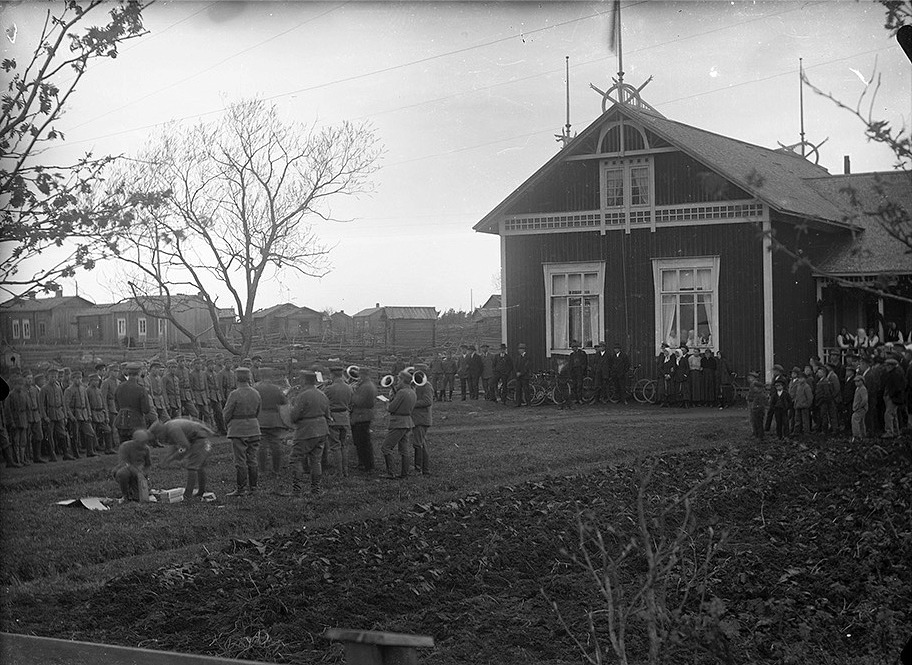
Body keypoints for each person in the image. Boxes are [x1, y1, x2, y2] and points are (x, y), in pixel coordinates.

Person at [288, 370, 333, 497]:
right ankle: (316, 490)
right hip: (322, 429)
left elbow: (294, 416)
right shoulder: (322, 394)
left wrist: (291, 405)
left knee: (295, 459)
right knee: (316, 460)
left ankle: (296, 490)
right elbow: (328, 414)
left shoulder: (303, 395)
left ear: (304, 380)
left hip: (306, 431)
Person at [153, 418, 216, 502]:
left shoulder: (172, 429)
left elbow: (184, 447)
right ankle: (201, 491)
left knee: (192, 467)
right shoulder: (169, 426)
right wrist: (167, 458)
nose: (160, 440)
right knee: (200, 466)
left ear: (160, 432)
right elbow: (175, 445)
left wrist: (172, 458)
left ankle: (188, 495)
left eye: (158, 437)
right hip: (199, 437)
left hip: (199, 439)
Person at [223, 366, 262, 497]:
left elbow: (226, 413)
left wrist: (229, 424)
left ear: (237, 378)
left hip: (238, 430)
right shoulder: (255, 393)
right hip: (254, 428)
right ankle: (254, 488)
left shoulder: (234, 394)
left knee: (240, 460)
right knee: (252, 459)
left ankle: (241, 489)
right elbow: (258, 411)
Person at [254, 368, 290, 480]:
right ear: (271, 376)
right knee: (276, 446)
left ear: (261, 375)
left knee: (262, 446)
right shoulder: (276, 389)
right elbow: (284, 401)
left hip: (261, 419)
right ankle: (276, 470)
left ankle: (262, 470)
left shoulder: (256, 388)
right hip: (274, 419)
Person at [381, 370, 416, 479]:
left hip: (398, 423)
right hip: (408, 422)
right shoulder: (412, 391)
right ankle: (404, 473)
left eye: (399, 380)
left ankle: (390, 473)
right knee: (404, 449)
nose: (397, 382)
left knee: (386, 447)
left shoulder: (401, 392)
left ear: (403, 380)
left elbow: (391, 408)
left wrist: (388, 401)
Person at [322, 365, 353, 478]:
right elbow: (351, 402)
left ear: (332, 375)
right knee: (343, 445)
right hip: (345, 417)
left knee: (335, 446)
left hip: (333, 418)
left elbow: (322, 400)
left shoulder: (329, 389)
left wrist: (325, 385)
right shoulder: (349, 387)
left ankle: (339, 472)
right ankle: (345, 471)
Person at [114, 363, 152, 443]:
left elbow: (116, 404)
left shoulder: (119, 387)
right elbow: (146, 409)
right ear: (138, 374)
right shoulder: (141, 389)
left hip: (121, 421)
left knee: (124, 448)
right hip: (136, 422)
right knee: (138, 449)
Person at [64, 369, 97, 458]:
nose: (79, 380)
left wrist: (89, 414)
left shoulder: (83, 389)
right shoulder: (69, 390)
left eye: (80, 378)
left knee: (90, 432)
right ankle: (75, 453)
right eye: (76, 378)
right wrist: (71, 416)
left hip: (84, 414)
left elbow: (87, 403)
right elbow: (66, 405)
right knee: (75, 436)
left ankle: (90, 451)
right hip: (75, 415)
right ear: (72, 379)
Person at [350, 367, 377, 472]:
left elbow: (359, 401)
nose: (359, 377)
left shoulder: (366, 386)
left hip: (362, 416)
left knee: (363, 442)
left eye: (360, 374)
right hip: (362, 415)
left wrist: (352, 392)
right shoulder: (366, 385)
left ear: (364, 374)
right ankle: (363, 463)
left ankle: (368, 465)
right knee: (360, 441)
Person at [113, 429, 153, 502]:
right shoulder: (125, 446)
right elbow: (124, 463)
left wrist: (144, 474)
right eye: (141, 442)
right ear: (135, 440)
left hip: (140, 473)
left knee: (139, 497)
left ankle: (134, 491)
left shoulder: (146, 449)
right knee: (122, 473)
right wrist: (137, 472)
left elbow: (148, 464)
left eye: (144, 442)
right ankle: (125, 495)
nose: (143, 444)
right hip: (126, 469)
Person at [39, 367, 68, 461]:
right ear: (48, 377)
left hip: (59, 414)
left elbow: (63, 403)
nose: (54, 378)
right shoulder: (44, 389)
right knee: (50, 436)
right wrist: (44, 416)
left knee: (62, 433)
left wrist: (65, 415)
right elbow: (41, 405)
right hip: (49, 415)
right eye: (52, 376)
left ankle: (66, 453)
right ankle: (52, 455)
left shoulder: (58, 388)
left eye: (55, 376)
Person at [411, 367, 433, 474]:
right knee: (421, 444)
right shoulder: (417, 385)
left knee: (418, 444)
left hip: (422, 419)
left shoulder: (427, 386)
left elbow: (428, 401)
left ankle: (419, 468)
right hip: (418, 418)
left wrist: (412, 403)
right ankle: (424, 469)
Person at [86, 373, 115, 454]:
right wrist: (89, 414)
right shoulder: (87, 391)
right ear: (90, 381)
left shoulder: (99, 391)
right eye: (94, 380)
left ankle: (108, 448)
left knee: (108, 430)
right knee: (92, 432)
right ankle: (92, 450)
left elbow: (103, 403)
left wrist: (106, 415)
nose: (97, 382)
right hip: (93, 412)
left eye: (97, 381)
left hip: (101, 413)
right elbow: (87, 403)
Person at [23, 372, 47, 463]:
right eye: (28, 378)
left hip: (36, 415)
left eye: (31, 378)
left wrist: (41, 414)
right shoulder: (22, 390)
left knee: (39, 436)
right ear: (24, 379)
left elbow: (39, 402)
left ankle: (37, 457)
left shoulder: (35, 390)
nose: (29, 380)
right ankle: (27, 457)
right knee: (26, 438)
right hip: (27, 416)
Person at [882, 356, 906, 439]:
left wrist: (891, 395)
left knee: (888, 414)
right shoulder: (896, 372)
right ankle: (896, 431)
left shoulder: (895, 374)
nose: (886, 368)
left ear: (891, 366)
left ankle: (889, 431)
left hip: (893, 397)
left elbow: (897, 387)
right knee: (893, 414)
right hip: (894, 397)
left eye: (887, 366)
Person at [790, 368, 813, 436]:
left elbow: (810, 397)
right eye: (799, 378)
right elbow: (796, 395)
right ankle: (796, 432)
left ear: (805, 379)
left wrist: (807, 404)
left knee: (805, 420)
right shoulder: (798, 386)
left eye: (801, 378)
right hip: (798, 405)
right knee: (797, 420)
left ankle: (806, 432)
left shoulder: (806, 387)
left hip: (804, 406)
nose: (800, 380)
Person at [746, 371, 767, 439]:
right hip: (752, 402)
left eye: (750, 377)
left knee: (754, 419)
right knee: (753, 419)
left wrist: (749, 398)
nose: (749, 379)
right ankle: (755, 432)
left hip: (754, 403)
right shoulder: (753, 384)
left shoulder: (755, 384)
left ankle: (756, 433)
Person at [568, 340, 588, 405]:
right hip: (574, 371)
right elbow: (570, 364)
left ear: (577, 347)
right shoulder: (571, 355)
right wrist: (570, 371)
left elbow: (585, 362)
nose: (573, 348)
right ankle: (576, 399)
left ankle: (580, 399)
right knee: (574, 385)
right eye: (572, 347)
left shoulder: (582, 353)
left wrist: (582, 369)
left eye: (574, 347)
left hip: (579, 371)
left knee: (579, 385)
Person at [850, 373, 868, 442]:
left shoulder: (862, 389)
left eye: (858, 381)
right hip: (859, 408)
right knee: (861, 421)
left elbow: (864, 400)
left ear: (862, 381)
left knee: (855, 419)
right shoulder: (858, 389)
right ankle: (862, 435)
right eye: (855, 381)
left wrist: (859, 406)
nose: (856, 383)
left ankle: (856, 436)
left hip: (861, 408)